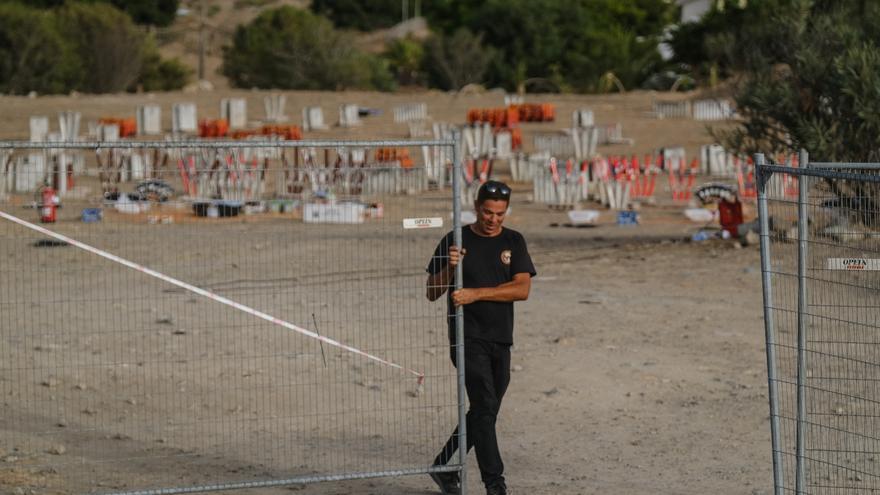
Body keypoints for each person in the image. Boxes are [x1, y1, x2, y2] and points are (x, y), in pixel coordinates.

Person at [425, 180, 536, 495]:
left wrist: (476, 294)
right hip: (466, 340)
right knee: (484, 405)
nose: (493, 220)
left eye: (500, 214)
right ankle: (495, 484)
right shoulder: (455, 240)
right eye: (488, 212)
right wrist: (449, 267)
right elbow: (432, 292)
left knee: (485, 411)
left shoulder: (514, 241)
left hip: (501, 339)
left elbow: (522, 289)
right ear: (476, 207)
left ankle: (443, 465)